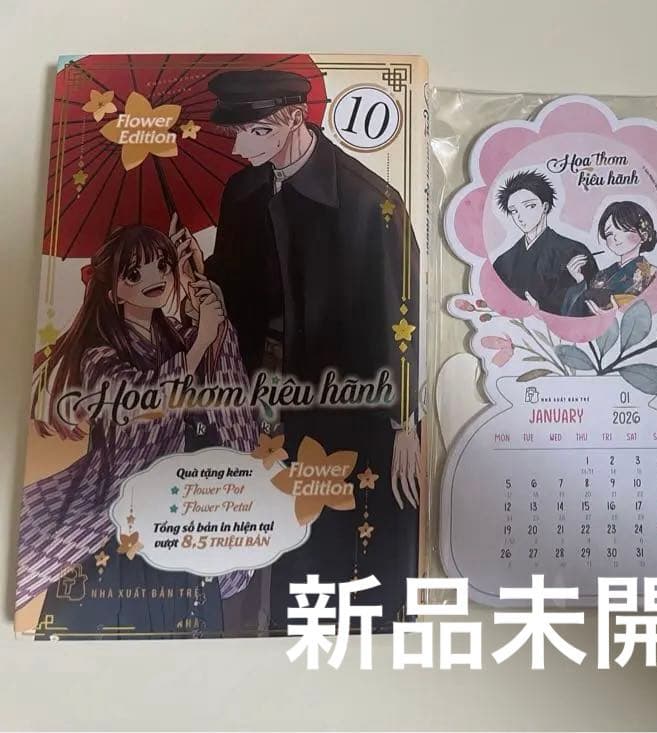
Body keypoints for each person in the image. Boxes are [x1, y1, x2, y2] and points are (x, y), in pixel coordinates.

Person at [177, 69, 422, 633]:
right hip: (258, 401)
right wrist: (196, 275)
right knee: (272, 537)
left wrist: (405, 422)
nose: (239, 148)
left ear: (293, 119)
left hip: (352, 404)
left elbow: (402, 318)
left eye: (256, 131)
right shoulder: (242, 192)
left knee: (345, 541)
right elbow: (233, 289)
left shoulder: (370, 203)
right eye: (236, 133)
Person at [17, 224, 257, 638]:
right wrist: (200, 344)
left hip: (181, 512)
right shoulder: (98, 354)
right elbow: (142, 400)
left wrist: (205, 306)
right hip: (120, 514)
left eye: (162, 265)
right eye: (134, 273)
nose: (154, 278)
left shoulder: (178, 338)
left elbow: (225, 393)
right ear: (113, 292)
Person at [492, 170, 598, 315]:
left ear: (545, 207)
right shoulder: (503, 262)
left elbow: (595, 306)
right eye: (514, 211)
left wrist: (580, 284)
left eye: (529, 206)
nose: (521, 216)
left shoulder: (574, 251)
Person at [562, 200, 657, 316]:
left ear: (644, 235)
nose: (615, 238)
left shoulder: (653, 275)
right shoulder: (601, 275)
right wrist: (580, 281)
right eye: (609, 234)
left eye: (623, 230)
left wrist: (617, 315)